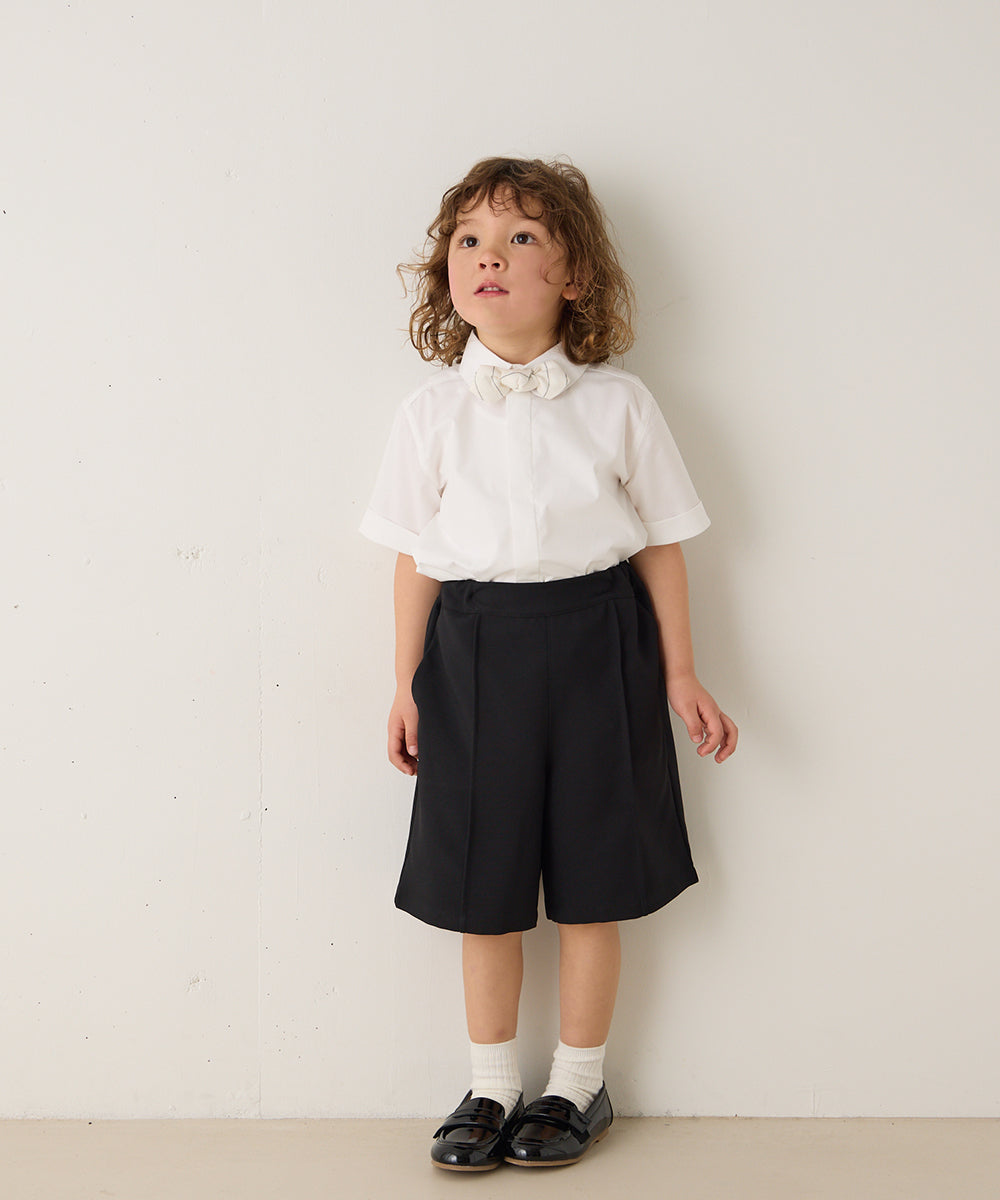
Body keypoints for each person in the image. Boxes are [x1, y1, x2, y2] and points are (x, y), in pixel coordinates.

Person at [359, 156, 737, 1171]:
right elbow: (414, 558)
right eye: (470, 240)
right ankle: (490, 1084)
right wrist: (404, 682)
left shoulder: (620, 403)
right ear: (446, 272)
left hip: (599, 643)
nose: (490, 256)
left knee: (592, 876)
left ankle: (577, 1084)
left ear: (573, 276)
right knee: (478, 877)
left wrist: (680, 673)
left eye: (521, 237)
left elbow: (662, 543)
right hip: (472, 651)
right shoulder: (429, 413)